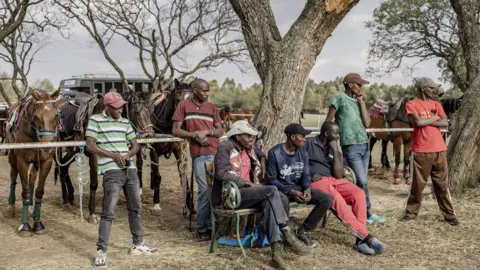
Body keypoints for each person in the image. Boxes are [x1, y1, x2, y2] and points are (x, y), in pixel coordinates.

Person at [213, 120, 311, 270]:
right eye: (248, 136)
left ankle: (276, 254)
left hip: (248, 195)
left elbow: (260, 154)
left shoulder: (247, 148)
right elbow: (221, 173)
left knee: (269, 205)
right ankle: (286, 231)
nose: (251, 139)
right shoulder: (225, 147)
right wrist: (247, 183)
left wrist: (263, 162)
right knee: (271, 189)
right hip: (231, 196)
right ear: (238, 137)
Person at [86, 91, 157, 269]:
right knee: (108, 212)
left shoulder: (125, 122)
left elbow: (135, 145)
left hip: (130, 169)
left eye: (122, 107)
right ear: (107, 107)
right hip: (111, 171)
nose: (120, 110)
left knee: (136, 208)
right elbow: (90, 144)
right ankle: (101, 251)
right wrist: (112, 155)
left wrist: (126, 156)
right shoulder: (96, 120)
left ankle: (138, 244)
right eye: (116, 108)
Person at [305, 121, 386, 255]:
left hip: (334, 180)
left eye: (339, 134)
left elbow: (339, 174)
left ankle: (359, 241)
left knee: (358, 193)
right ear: (326, 133)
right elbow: (296, 161)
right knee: (336, 198)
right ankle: (366, 237)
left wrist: (335, 151)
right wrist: (309, 174)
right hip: (317, 181)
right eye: (336, 133)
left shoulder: (334, 148)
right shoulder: (308, 143)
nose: (338, 136)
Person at [326, 73, 385, 225]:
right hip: (350, 145)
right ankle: (368, 213)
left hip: (364, 144)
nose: (362, 87)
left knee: (362, 181)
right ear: (350, 84)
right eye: (359, 84)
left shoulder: (359, 101)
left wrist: (361, 102)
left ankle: (363, 211)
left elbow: (367, 123)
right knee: (362, 181)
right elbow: (328, 122)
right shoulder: (339, 98)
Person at [402, 77, 460, 226]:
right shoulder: (412, 104)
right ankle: (410, 214)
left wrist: (429, 120)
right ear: (423, 89)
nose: (434, 90)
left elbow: (445, 122)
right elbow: (418, 123)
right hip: (421, 150)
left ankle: (449, 215)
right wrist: (435, 118)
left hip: (440, 149)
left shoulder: (436, 104)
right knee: (417, 185)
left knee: (442, 185)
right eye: (431, 88)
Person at [172, 78, 224, 241]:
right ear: (195, 90)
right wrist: (194, 135)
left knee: (216, 190)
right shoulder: (183, 106)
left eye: (208, 91)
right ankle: (201, 229)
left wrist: (206, 132)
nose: (207, 94)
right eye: (204, 91)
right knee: (204, 191)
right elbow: (176, 130)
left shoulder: (212, 108)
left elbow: (221, 130)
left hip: (216, 152)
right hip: (200, 154)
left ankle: (212, 225)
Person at [267, 123, 333, 247]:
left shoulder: (302, 152)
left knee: (326, 199)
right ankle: (283, 237)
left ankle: (302, 231)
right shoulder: (274, 153)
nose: (304, 139)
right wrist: (290, 191)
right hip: (281, 189)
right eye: (302, 136)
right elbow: (271, 180)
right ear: (292, 137)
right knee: (282, 201)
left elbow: (306, 174)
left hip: (299, 188)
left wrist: (307, 188)